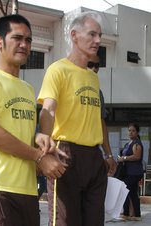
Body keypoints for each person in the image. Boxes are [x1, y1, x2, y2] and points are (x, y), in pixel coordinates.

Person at [0, 14, 67, 226]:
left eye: (28, 40)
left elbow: (21, 133)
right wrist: (39, 157)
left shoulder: (27, 89)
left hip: (28, 189)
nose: (24, 45)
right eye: (17, 38)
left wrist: (40, 140)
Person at [36, 12, 108, 226]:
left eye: (100, 35)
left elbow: (97, 120)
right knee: (65, 221)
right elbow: (47, 110)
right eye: (92, 34)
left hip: (94, 157)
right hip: (66, 153)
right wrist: (45, 153)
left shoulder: (93, 78)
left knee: (95, 221)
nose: (98, 40)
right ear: (74, 35)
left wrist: (107, 155)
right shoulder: (58, 70)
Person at [87, 55, 117, 176]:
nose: (94, 69)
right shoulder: (67, 81)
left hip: (93, 152)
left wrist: (109, 155)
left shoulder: (98, 93)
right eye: (90, 65)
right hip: (69, 150)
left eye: (97, 66)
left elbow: (101, 123)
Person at [117, 123, 144, 221]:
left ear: (137, 132)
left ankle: (126, 213)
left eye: (133, 131)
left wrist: (124, 158)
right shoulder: (128, 143)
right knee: (132, 192)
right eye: (129, 130)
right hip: (128, 172)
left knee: (124, 189)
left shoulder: (136, 143)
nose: (131, 132)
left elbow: (137, 156)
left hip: (135, 172)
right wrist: (121, 158)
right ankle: (136, 215)